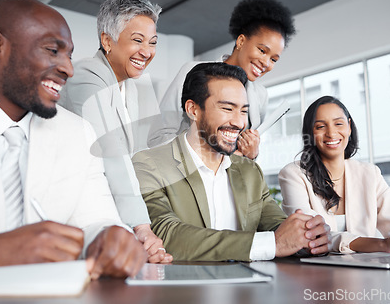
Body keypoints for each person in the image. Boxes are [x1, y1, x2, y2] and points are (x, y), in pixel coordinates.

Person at [0, 0, 147, 278]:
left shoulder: (77, 133)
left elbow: (96, 219)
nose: (68, 69)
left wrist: (111, 238)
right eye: (52, 50)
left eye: (69, 55)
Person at [132, 63, 330, 261]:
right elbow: (167, 234)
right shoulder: (148, 164)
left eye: (243, 111)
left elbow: (278, 227)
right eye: (227, 108)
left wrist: (308, 236)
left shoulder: (250, 171)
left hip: (248, 288)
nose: (239, 123)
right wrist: (272, 244)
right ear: (193, 109)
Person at [59, 0, 171, 263]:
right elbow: (112, 153)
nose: (147, 52)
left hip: (113, 209)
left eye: (152, 43)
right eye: (137, 40)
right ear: (107, 41)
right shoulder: (86, 76)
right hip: (75, 209)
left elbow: (142, 153)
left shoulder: (133, 86)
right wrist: (142, 227)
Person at [148, 0, 296, 160]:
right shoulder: (194, 71)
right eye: (262, 50)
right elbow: (158, 136)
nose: (265, 63)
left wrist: (252, 154)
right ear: (241, 41)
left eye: (274, 59)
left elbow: (242, 152)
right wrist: (202, 159)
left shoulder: (260, 95)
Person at [279, 96, 390, 253]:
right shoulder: (293, 175)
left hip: (367, 269)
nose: (331, 133)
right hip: (316, 271)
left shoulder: (370, 174)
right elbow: (312, 236)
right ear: (310, 133)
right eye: (321, 127)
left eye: (338, 124)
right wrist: (381, 245)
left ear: (349, 127)